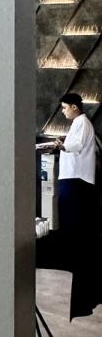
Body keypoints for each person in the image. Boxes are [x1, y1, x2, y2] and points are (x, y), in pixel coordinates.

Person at [53, 92, 97, 240]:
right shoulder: (79, 122)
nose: (63, 111)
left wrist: (63, 146)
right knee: (71, 216)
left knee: (70, 217)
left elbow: (78, 144)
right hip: (74, 177)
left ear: (74, 107)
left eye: (64, 108)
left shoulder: (82, 122)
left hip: (76, 177)